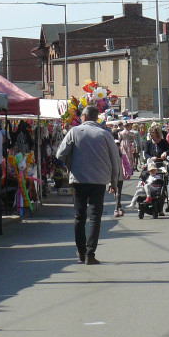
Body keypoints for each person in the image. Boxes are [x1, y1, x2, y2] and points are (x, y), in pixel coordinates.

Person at [57, 105, 121, 265]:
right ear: (96, 117)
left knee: (80, 216)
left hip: (79, 179)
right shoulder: (105, 134)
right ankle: (90, 254)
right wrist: (114, 182)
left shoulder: (74, 132)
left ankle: (81, 251)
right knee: (95, 216)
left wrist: (70, 163)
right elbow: (115, 160)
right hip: (99, 180)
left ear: (84, 117)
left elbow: (60, 154)